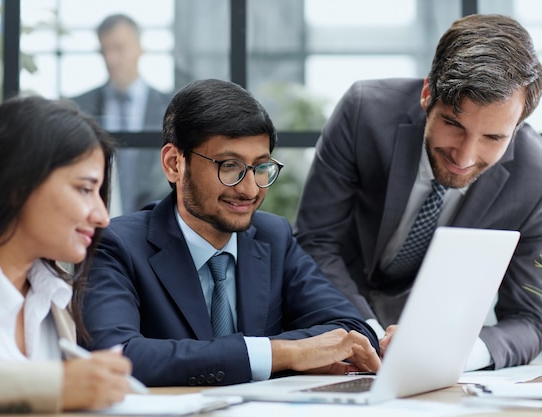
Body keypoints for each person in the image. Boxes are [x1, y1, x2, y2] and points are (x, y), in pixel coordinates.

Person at [81, 78, 381, 387]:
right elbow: (114, 355)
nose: (249, 189)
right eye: (229, 166)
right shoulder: (116, 244)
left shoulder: (272, 236)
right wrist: (281, 354)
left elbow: (351, 329)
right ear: (174, 164)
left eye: (261, 167)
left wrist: (291, 352)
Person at [294, 14, 542, 371]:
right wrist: (368, 336)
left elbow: (529, 319)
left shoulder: (533, 177)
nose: (465, 156)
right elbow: (317, 242)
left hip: (429, 361)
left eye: (493, 137)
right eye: (454, 124)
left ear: (517, 126)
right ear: (428, 93)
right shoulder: (364, 112)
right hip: (326, 324)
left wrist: (458, 354)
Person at [0, 96, 134, 413]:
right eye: (85, 189)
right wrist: (55, 385)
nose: (102, 216)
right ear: (18, 185)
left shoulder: (58, 303)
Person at [72, 13, 172, 215]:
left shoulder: (170, 107)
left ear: (139, 48)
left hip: (155, 220)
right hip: (95, 222)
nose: (111, 59)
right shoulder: (78, 107)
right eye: (105, 50)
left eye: (118, 48)